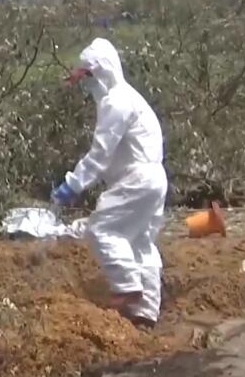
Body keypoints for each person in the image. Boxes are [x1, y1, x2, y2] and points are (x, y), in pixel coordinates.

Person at [51, 37, 169, 328]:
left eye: (88, 77)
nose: (86, 85)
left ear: (102, 72)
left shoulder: (116, 101)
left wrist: (73, 184)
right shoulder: (131, 98)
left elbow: (101, 152)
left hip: (138, 180)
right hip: (155, 180)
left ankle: (127, 287)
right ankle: (145, 313)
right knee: (139, 242)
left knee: (102, 229)